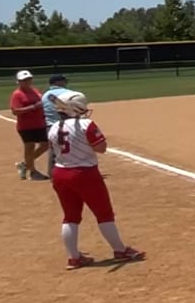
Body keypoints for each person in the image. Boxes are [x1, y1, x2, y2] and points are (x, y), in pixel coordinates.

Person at [46, 92, 145, 269]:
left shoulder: (53, 127)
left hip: (60, 173)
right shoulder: (86, 124)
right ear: (76, 108)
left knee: (70, 216)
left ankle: (74, 257)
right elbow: (101, 148)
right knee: (104, 213)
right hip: (84, 173)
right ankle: (120, 250)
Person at [9, 71, 51, 181]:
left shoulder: (35, 91)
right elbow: (15, 111)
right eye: (24, 80)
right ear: (18, 82)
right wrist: (33, 107)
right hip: (26, 126)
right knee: (30, 147)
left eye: (28, 79)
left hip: (39, 123)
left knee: (45, 145)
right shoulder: (17, 94)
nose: (27, 82)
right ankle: (33, 172)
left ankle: (25, 164)